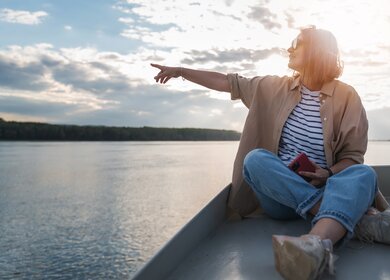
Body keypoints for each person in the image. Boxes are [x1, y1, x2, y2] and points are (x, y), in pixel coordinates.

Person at [151, 26, 390, 280]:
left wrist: (327, 172)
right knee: (255, 160)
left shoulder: (347, 97)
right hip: (282, 197)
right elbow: (227, 82)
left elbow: (352, 158)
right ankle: (349, 219)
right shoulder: (272, 87)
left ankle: (315, 244)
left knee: (362, 173)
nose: (289, 49)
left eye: (297, 44)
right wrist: (180, 71)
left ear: (316, 52)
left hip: (327, 186)